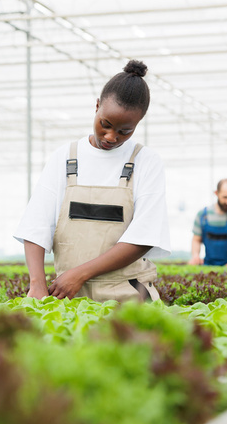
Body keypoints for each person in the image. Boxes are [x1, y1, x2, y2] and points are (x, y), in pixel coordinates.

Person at [14, 60, 171, 302]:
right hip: (67, 294)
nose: (111, 137)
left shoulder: (146, 161)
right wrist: (36, 284)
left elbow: (143, 238)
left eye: (124, 131)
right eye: (105, 125)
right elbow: (36, 225)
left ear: (138, 123)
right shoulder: (65, 157)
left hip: (129, 295)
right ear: (97, 106)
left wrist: (80, 274)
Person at [188, 179, 227, 267]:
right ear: (216, 193)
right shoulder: (203, 215)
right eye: (225, 197)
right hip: (208, 265)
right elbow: (196, 239)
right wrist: (195, 255)